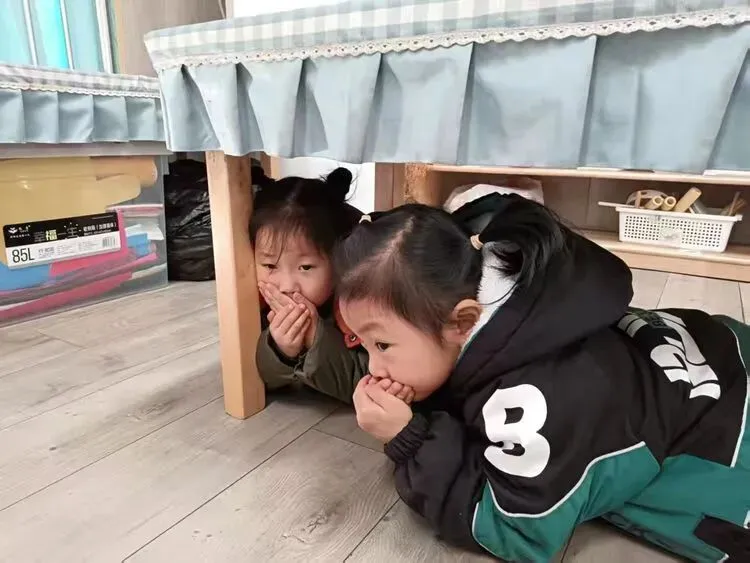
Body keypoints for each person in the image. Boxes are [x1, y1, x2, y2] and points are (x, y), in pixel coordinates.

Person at [334, 192, 750, 562]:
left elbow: (515, 530)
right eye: (364, 344)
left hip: (728, 445)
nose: (373, 367)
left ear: (461, 321)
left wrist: (410, 439)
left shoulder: (537, 397)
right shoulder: (510, 291)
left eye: (382, 344)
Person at [251, 165, 415, 405]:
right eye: (270, 265)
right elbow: (256, 377)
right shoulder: (250, 302)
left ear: (339, 259)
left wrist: (314, 336)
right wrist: (280, 351)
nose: (286, 286)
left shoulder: (363, 299)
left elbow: (375, 382)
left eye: (306, 267)